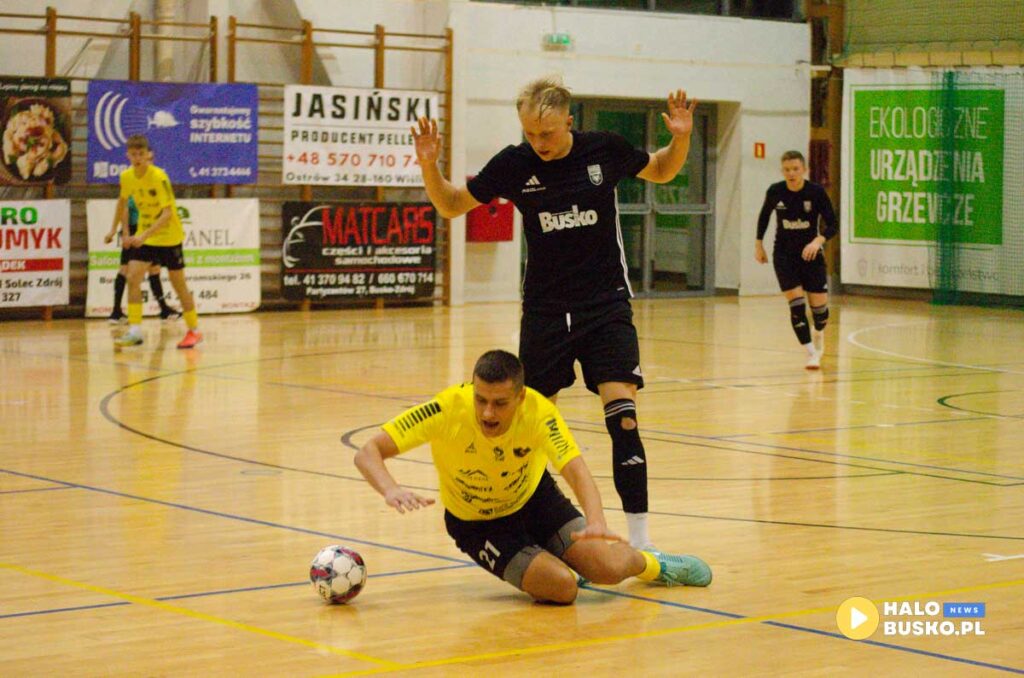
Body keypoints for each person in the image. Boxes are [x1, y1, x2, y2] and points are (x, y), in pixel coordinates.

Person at [410, 76, 698, 550]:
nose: (537, 143)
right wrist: (429, 165)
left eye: (545, 133)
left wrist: (681, 136)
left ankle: (643, 544)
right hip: (545, 312)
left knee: (623, 419)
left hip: (605, 305)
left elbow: (663, 170)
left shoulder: (604, 150)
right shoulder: (514, 163)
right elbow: (451, 204)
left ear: (569, 119)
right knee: (530, 425)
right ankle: (541, 529)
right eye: (529, 134)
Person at [354, 350, 711, 604]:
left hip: (536, 501)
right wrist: (390, 488)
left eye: (499, 403)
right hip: (479, 524)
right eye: (480, 400)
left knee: (606, 567)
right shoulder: (448, 408)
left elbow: (576, 470)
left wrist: (597, 520)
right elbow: (367, 452)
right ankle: (558, 562)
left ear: (520, 396)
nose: (487, 413)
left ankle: (656, 565)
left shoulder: (539, 412)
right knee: (562, 589)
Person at [113, 134, 201, 349]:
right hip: (147, 236)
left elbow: (167, 213)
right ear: (127, 155)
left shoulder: (159, 176)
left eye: (141, 154)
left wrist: (142, 236)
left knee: (179, 285)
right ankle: (134, 331)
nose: (137, 158)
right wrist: (121, 231)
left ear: (149, 154)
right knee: (133, 277)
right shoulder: (127, 177)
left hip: (169, 236)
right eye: (133, 155)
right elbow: (123, 203)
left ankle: (194, 330)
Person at [754, 150, 837, 370]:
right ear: (782, 171)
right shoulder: (776, 191)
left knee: (820, 313)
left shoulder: (816, 192)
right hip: (784, 256)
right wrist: (758, 244)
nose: (791, 173)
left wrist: (818, 241)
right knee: (797, 307)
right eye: (787, 170)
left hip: (811, 257)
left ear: (804, 170)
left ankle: (818, 331)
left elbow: (832, 224)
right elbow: (764, 216)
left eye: (795, 169)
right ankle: (812, 353)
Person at [104, 191, 182, 324]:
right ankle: (117, 312)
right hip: (137, 231)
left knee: (153, 269)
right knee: (127, 269)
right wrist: (127, 232)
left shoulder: (149, 187)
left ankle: (163, 310)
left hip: (146, 232)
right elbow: (125, 208)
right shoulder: (135, 187)